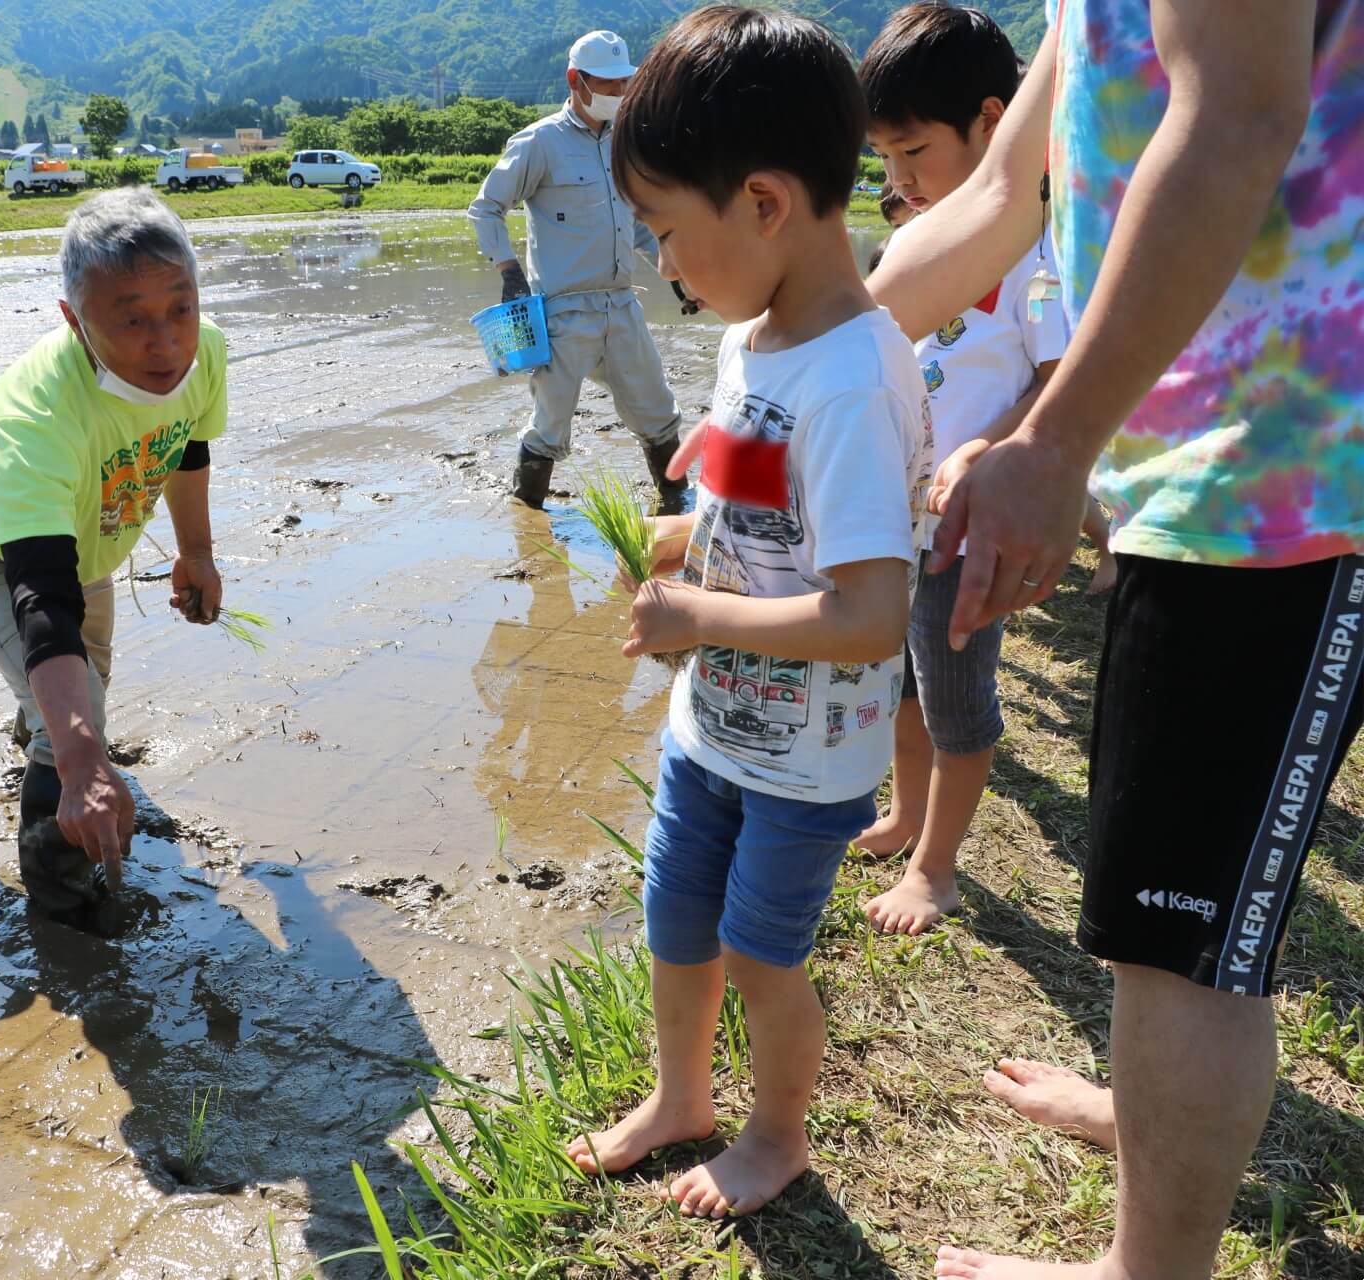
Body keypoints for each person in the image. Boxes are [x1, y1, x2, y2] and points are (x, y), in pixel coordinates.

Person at [867, 2, 1362, 1277]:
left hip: (1279, 477)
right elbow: (997, 192)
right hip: (1208, 469)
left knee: (1181, 931)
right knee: (1164, 896)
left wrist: (1053, 439)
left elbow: (1240, 116)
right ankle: (1153, 1120)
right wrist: (781, 376)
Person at [562, 6, 932, 1217]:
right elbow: (749, 509)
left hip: (806, 757)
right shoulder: (754, 340)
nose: (663, 264)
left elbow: (872, 611)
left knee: (765, 954)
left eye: (668, 231)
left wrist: (702, 619)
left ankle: (778, 1134)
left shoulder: (854, 381)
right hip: (713, 728)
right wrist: (673, 541)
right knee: (678, 917)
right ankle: (682, 1097)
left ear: (764, 203)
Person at [0, 187, 229, 928]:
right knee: (75, 726)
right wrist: (84, 761)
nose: (164, 343)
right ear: (74, 319)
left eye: (178, 309)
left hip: (85, 547)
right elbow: (41, 597)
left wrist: (196, 552)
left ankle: (43, 731)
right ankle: (61, 901)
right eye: (130, 319)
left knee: (75, 701)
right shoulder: (35, 417)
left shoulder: (206, 349)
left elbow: (188, 443)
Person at [852, 4, 1074, 936]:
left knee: (955, 698)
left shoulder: (1039, 253)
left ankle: (938, 870)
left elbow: (1061, 377)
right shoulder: (915, 244)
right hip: (900, 513)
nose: (900, 182)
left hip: (962, 527)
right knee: (900, 678)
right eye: (886, 163)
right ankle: (907, 816)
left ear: (993, 123)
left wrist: (1000, 446)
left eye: (915, 153)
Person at [469, 28, 687, 514]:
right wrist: (509, 271)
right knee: (549, 427)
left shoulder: (625, 144)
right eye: (608, 85)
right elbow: (485, 209)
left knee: (658, 412)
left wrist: (677, 273)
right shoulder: (539, 143)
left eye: (624, 83)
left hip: (621, 303)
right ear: (576, 80)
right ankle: (528, 521)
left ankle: (678, 506)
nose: (619, 94)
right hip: (563, 313)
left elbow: (638, 228)